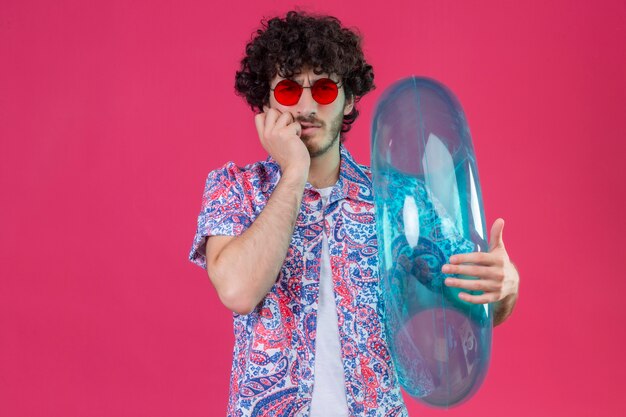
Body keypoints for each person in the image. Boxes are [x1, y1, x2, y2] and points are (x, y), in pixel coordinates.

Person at [188, 10, 519, 417]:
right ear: (266, 102)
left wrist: (504, 288)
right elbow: (239, 290)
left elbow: (475, 300)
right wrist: (294, 173)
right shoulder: (235, 188)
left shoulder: (396, 198)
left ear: (348, 101)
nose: (307, 107)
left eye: (324, 90)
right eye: (290, 91)